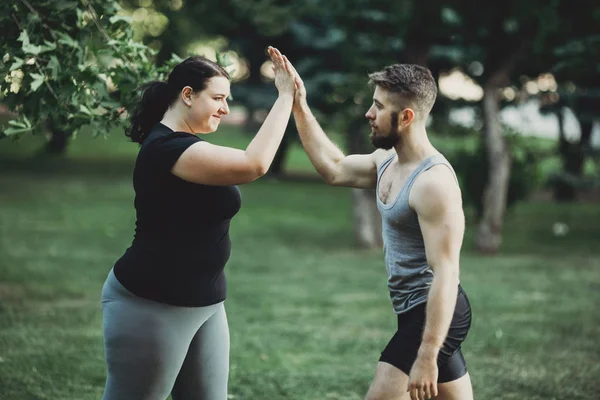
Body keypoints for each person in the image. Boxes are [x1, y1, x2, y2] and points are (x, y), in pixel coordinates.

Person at [276, 47, 474, 400]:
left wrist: (428, 355)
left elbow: (446, 272)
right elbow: (334, 168)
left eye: (380, 107)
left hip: (430, 314)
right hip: (413, 310)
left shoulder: (433, 183)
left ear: (407, 116)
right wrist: (299, 104)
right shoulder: (387, 161)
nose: (369, 113)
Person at [100, 47, 296, 400]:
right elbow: (255, 164)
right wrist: (285, 97)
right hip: (152, 303)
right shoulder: (166, 149)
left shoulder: (188, 147)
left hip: (206, 303)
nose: (225, 108)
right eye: (218, 98)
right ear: (188, 95)